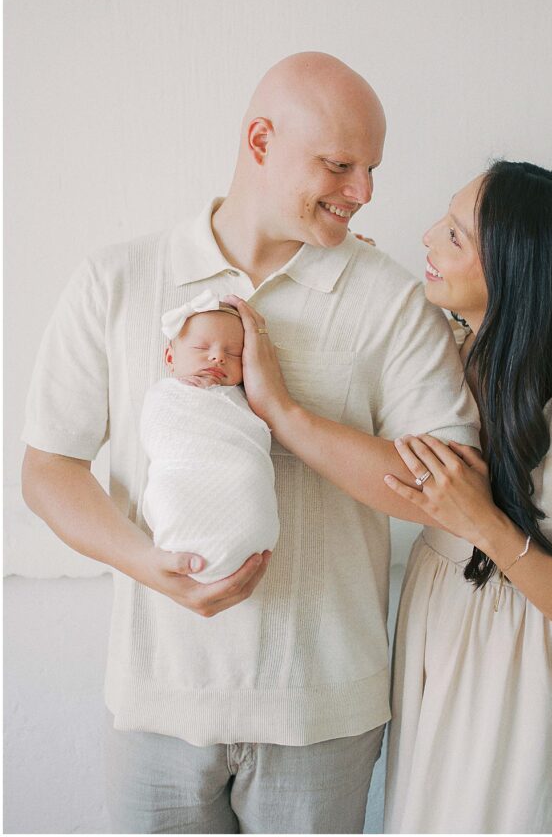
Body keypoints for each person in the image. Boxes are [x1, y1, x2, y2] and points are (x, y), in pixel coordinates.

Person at [21, 51, 480, 834]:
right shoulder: (118, 278)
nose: (363, 192)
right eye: (339, 164)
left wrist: (288, 417)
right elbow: (47, 468)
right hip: (155, 704)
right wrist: (148, 567)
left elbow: (455, 494)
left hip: (322, 711)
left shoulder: (390, 297)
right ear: (260, 140)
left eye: (370, 169)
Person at [230, 161, 552, 834]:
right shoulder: (449, 366)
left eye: (455, 237)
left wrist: (488, 527)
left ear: (518, 271)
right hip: (445, 667)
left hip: (525, 692)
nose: (425, 240)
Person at [141, 290, 279, 585]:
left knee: (246, 476)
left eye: (233, 354)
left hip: (240, 481)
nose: (217, 356)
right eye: (201, 347)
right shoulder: (166, 395)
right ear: (170, 357)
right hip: (182, 475)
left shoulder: (245, 400)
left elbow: (253, 434)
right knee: (170, 489)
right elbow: (158, 430)